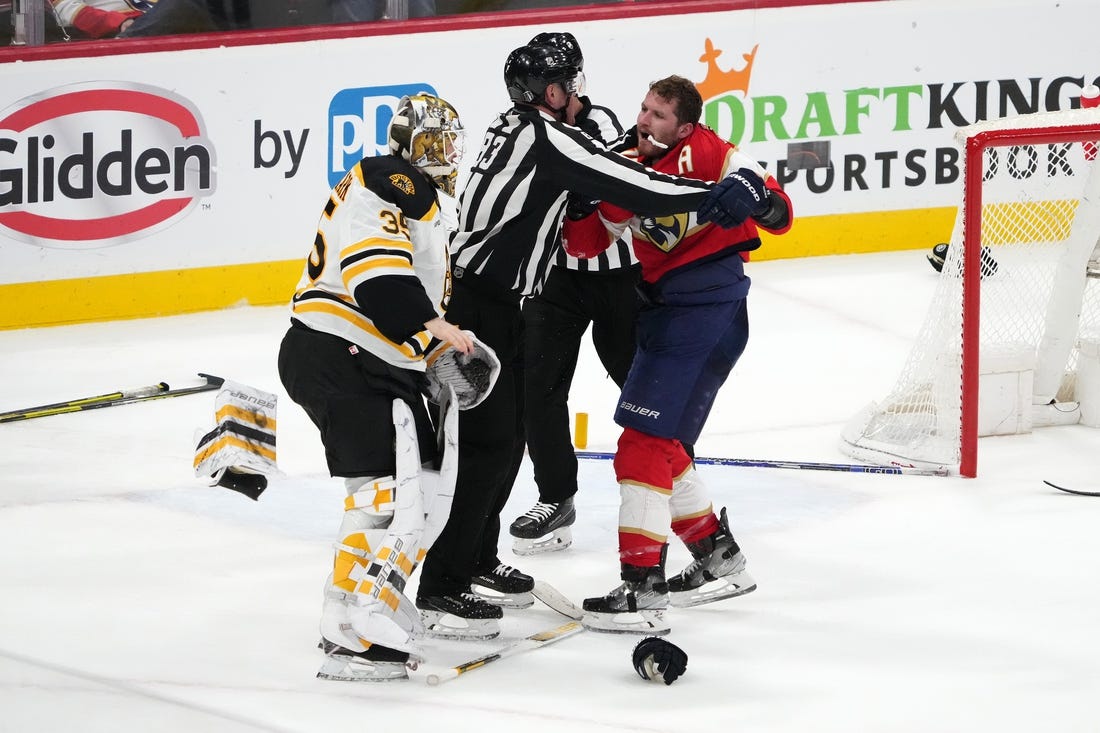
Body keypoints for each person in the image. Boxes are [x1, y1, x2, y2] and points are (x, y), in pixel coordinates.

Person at [414, 40, 769, 638]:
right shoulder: (549, 137)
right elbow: (629, 184)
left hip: (503, 298)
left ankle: (475, 559)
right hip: (481, 307)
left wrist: (737, 180)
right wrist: (713, 197)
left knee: (512, 437)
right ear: (552, 93)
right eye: (570, 85)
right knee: (490, 445)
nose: (579, 93)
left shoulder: (519, 126)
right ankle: (443, 583)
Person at [563, 75, 793, 634]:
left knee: (640, 444)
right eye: (643, 109)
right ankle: (720, 560)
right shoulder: (621, 165)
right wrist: (581, 205)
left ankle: (642, 589)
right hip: (681, 316)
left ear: (685, 127)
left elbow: (781, 213)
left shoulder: (710, 152)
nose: (644, 121)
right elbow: (585, 245)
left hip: (704, 312)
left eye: (658, 116)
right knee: (662, 443)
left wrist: (757, 199)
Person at [277, 93, 476, 681]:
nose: (440, 155)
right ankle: (351, 628)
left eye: (447, 143)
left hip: (359, 356)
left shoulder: (424, 200)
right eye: (429, 144)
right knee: (386, 496)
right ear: (406, 146)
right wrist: (432, 326)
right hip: (342, 351)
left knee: (390, 493)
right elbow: (378, 277)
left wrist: (431, 347)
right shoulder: (388, 179)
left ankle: (351, 608)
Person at [509, 30, 641, 556]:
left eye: (548, 89)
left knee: (643, 393)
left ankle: (674, 488)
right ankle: (556, 497)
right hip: (556, 282)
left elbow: (595, 196)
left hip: (617, 283)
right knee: (536, 390)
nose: (538, 101)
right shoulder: (526, 130)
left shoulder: (601, 125)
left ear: (565, 87)